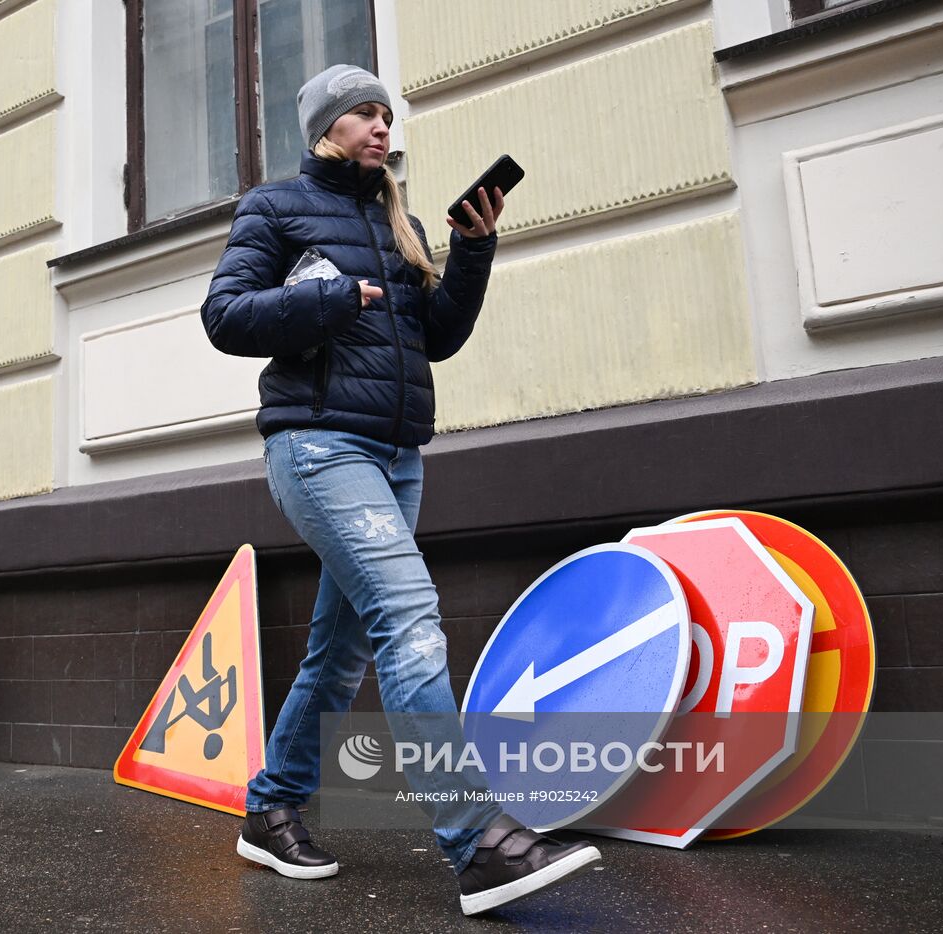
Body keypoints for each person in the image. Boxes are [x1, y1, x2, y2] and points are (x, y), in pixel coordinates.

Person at [200, 64, 601, 916]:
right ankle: (477, 840)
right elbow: (226, 316)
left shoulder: (401, 219)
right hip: (317, 447)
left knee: (340, 652)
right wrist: (332, 298)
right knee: (411, 619)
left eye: (386, 114)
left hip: (395, 455)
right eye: (363, 115)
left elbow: (437, 338)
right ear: (325, 128)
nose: (382, 127)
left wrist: (475, 248)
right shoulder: (274, 209)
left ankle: (272, 807)